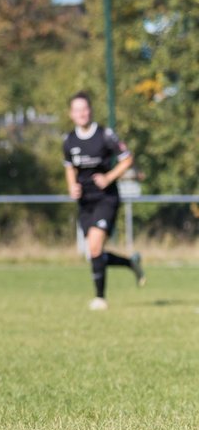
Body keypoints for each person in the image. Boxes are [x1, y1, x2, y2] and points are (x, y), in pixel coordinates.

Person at [63, 91, 145, 310]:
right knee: (94, 251)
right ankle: (131, 263)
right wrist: (72, 186)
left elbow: (127, 159)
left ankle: (100, 298)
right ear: (71, 114)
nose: (81, 113)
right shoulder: (69, 140)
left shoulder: (105, 135)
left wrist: (108, 177)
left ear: (90, 110)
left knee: (96, 246)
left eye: (84, 108)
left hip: (106, 198)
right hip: (85, 201)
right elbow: (70, 167)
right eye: (77, 109)